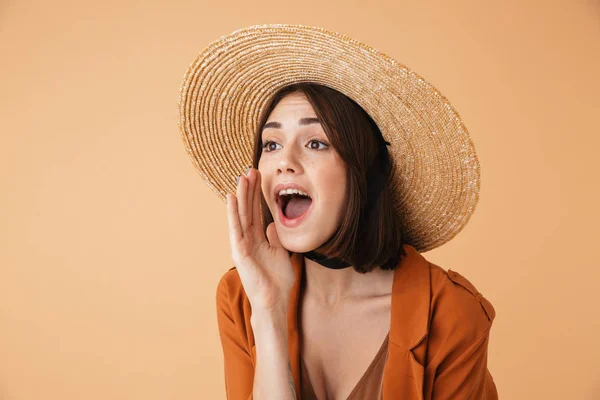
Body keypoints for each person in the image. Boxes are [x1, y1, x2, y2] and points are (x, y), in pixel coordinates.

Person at [178, 25, 498, 400]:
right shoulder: (240, 296)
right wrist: (268, 311)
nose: (284, 162)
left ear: (365, 172)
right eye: (271, 143)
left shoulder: (451, 311)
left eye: (316, 143)